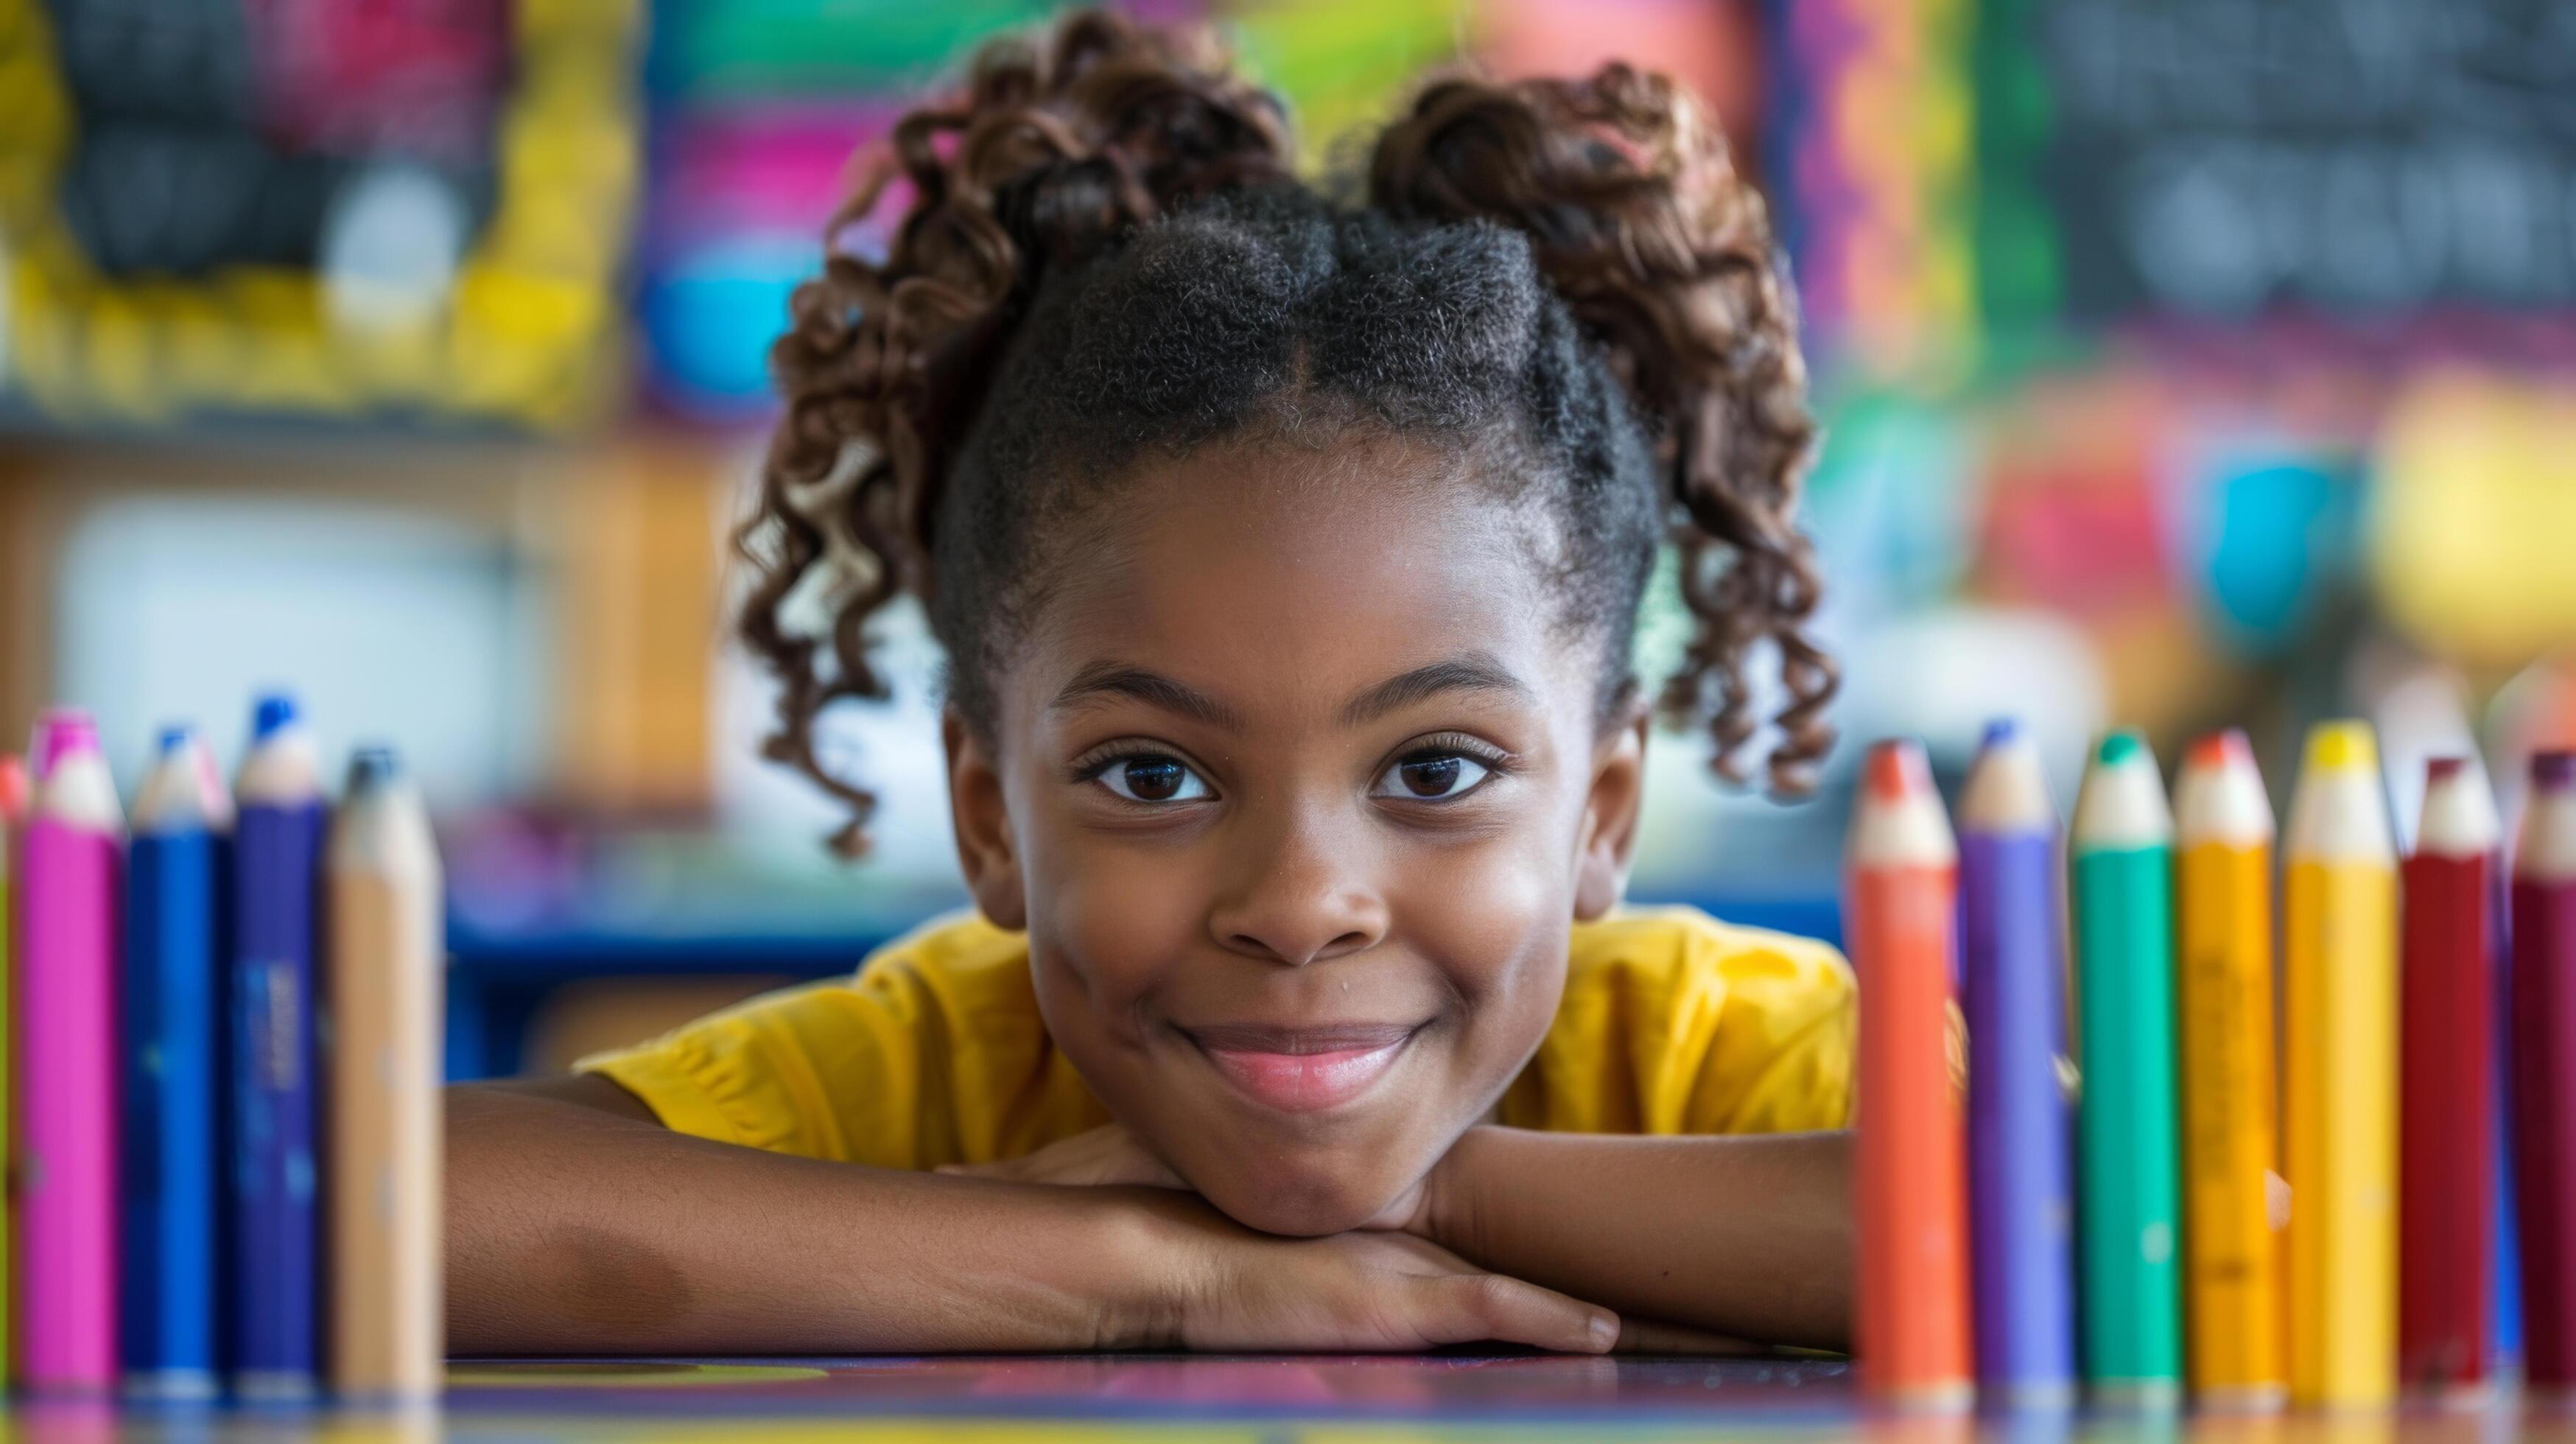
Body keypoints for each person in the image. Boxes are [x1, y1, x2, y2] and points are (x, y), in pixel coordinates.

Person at [450, 10, 1853, 1357]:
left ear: (1602, 812)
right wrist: (1146, 1272)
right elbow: (365, 1200)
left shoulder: (1702, 1047)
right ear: (989, 815)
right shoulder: (947, 1060)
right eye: (1151, 775)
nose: (1302, 908)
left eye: (1436, 771)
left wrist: (1442, 1192)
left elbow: (2058, 1212)